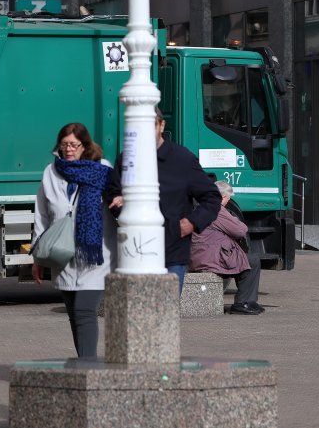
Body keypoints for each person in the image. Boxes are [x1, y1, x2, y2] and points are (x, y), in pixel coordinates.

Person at [106, 108, 220, 293]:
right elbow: (113, 193)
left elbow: (211, 197)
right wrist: (120, 207)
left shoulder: (183, 159)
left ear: (161, 125)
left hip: (171, 252)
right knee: (138, 314)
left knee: (165, 314)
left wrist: (192, 223)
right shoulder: (127, 159)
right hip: (136, 251)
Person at [31, 123, 116, 359]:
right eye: (64, 145)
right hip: (63, 254)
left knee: (84, 311)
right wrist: (37, 257)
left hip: (97, 255)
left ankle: (88, 368)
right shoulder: (51, 172)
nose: (68, 150)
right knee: (74, 314)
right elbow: (42, 215)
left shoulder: (103, 169)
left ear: (85, 145)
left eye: (74, 145)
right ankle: (83, 365)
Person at [190, 180, 265, 315]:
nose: (227, 202)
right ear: (223, 197)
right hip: (212, 259)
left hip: (199, 257)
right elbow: (240, 230)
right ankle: (244, 303)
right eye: (228, 199)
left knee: (241, 259)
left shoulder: (201, 207)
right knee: (252, 260)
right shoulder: (217, 209)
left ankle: (246, 301)